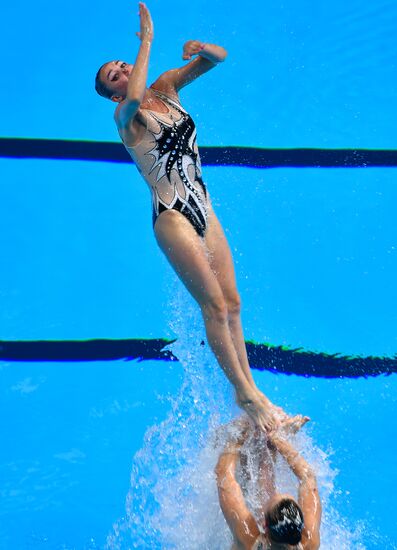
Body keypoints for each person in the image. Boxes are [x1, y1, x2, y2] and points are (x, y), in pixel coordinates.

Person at [94, 2, 287, 431]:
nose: (124, 72)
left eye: (124, 65)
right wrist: (146, 40)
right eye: (115, 75)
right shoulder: (125, 116)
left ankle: (254, 394)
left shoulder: (165, 87)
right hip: (171, 216)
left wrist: (201, 47)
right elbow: (136, 91)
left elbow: (219, 58)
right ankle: (245, 395)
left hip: (204, 208)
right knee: (213, 305)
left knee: (234, 303)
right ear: (113, 93)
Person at [215, 416, 321, 549]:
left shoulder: (247, 538)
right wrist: (278, 440)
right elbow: (308, 478)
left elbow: (223, 475)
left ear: (264, 526)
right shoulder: (309, 541)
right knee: (264, 476)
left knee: (256, 491)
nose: (277, 492)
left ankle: (263, 442)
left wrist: (238, 435)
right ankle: (269, 443)